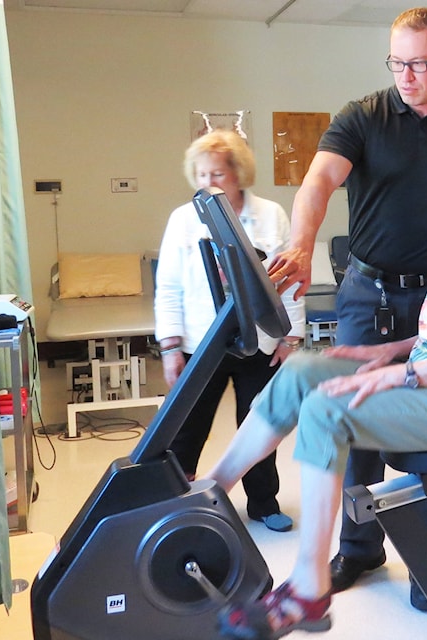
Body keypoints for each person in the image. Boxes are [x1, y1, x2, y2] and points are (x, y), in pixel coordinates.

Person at [210, 129, 427, 638]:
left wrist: (401, 373)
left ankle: (307, 587)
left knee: (329, 410)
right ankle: (212, 492)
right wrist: (386, 351)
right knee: (303, 369)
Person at [265, 7, 427, 608]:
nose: (406, 75)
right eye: (397, 62)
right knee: (354, 421)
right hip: (367, 294)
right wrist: (301, 241)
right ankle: (359, 548)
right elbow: (317, 183)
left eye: (418, 63)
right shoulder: (361, 117)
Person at [154, 129, 306, 532]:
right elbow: (167, 285)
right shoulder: (183, 219)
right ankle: (176, 501)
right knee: (187, 428)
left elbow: (289, 279)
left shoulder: (271, 214)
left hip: (260, 340)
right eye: (201, 175)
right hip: (202, 342)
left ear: (238, 174)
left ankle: (262, 504)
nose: (208, 183)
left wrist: (291, 338)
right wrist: (170, 347)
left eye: (217, 174)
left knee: (259, 423)